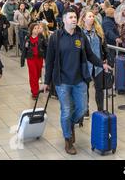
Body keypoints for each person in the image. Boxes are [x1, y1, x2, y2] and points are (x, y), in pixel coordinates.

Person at [43, 9, 111, 155]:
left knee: (80, 110)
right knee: (66, 111)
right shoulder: (56, 37)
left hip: (79, 80)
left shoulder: (80, 36)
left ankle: (69, 125)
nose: (74, 19)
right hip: (62, 81)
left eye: (75, 17)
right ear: (64, 20)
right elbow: (49, 61)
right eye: (71, 17)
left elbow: (91, 55)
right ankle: (68, 139)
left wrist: (102, 64)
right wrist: (46, 81)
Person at [79, 9, 108, 118]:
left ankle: (100, 109)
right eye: (90, 16)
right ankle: (85, 110)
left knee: (99, 88)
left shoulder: (98, 30)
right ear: (83, 18)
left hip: (98, 64)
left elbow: (104, 46)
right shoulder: (79, 32)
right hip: (85, 64)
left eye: (93, 16)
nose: (92, 18)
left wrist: (105, 57)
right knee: (84, 88)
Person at [21, 23, 47, 100]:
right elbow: (24, 49)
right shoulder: (28, 38)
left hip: (39, 58)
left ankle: (36, 88)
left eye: (38, 28)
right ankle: (35, 92)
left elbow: (46, 46)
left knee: (38, 74)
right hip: (31, 59)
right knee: (33, 75)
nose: (37, 30)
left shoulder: (41, 37)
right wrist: (22, 60)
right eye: (35, 28)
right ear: (31, 30)